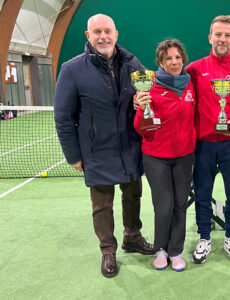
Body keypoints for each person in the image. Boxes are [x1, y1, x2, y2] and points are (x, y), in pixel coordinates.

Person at [54, 14, 154, 278]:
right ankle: (108, 250)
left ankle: (133, 237)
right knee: (102, 205)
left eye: (107, 31)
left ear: (116, 34)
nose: (103, 36)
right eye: (97, 32)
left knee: (133, 195)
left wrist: (142, 101)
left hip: (131, 148)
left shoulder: (133, 63)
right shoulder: (71, 69)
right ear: (88, 36)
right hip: (96, 152)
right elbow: (63, 117)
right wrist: (73, 155)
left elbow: (146, 96)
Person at [186, 15, 230, 264]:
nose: (222, 39)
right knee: (202, 195)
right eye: (218, 34)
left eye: (227, 35)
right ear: (210, 37)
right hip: (202, 146)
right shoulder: (193, 69)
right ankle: (204, 237)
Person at [134, 39, 196, 272]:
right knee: (164, 205)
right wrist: (141, 108)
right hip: (156, 156)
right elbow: (140, 127)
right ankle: (160, 249)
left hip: (185, 156)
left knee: (180, 204)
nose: (174, 62)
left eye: (177, 57)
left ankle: (175, 251)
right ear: (160, 61)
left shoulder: (190, 85)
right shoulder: (149, 87)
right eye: (168, 58)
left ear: (183, 59)